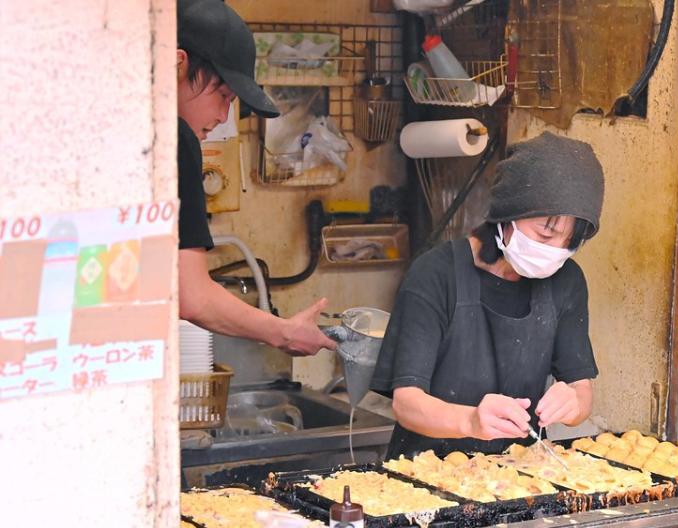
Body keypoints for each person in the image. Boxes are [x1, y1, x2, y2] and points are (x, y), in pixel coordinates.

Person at [371, 132, 604, 459]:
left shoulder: (567, 282)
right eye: (545, 234)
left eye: (568, 243)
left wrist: (573, 402)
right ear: (509, 212)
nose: (554, 252)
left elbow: (582, 390)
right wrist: (470, 420)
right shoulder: (436, 274)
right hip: (425, 475)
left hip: (520, 479)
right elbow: (406, 402)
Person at [176, 0, 335, 355]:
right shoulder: (177, 139)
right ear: (179, 65)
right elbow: (193, 297)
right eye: (223, 95)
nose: (223, 115)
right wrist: (285, 332)